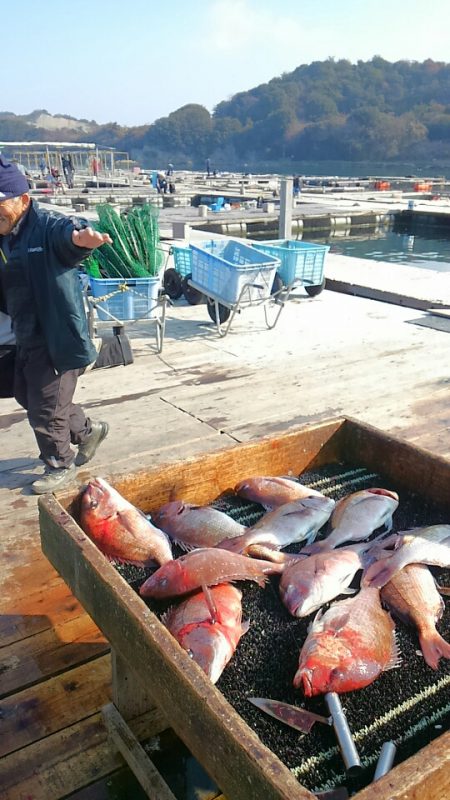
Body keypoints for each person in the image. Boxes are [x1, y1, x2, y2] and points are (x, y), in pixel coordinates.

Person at [0, 156, 112, 494]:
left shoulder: (44, 225)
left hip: (56, 338)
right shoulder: (4, 235)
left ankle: (58, 464)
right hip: (24, 335)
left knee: (46, 411)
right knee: (27, 394)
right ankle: (89, 431)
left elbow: (67, 233)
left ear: (23, 200)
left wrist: (81, 239)